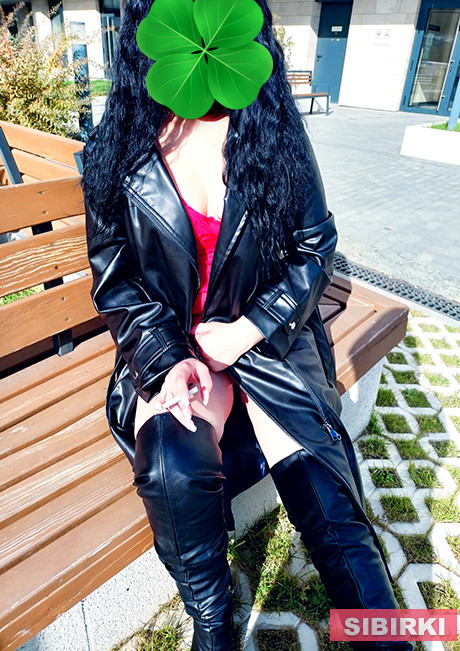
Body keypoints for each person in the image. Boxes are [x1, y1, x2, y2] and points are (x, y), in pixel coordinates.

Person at [82, 1, 415, 649]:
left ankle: (384, 638)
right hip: (174, 344)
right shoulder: (118, 143)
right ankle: (215, 625)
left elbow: (315, 247)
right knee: (172, 464)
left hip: (265, 344)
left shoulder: (271, 128)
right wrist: (166, 356)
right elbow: (114, 280)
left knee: (328, 498)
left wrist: (249, 329)